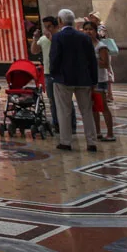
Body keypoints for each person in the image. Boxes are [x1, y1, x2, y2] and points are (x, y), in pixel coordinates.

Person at [49, 9, 99, 151]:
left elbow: (54, 57)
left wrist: (53, 73)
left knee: (64, 111)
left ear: (60, 21)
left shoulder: (58, 37)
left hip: (63, 79)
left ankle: (65, 141)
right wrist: (93, 79)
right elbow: (92, 60)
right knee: (86, 111)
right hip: (84, 78)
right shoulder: (84, 37)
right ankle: (91, 142)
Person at [84, 19, 116, 142]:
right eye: (86, 29)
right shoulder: (85, 46)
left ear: (95, 31)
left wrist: (91, 59)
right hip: (89, 79)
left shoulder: (101, 46)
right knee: (93, 107)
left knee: (102, 106)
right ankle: (97, 132)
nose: (88, 32)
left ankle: (110, 133)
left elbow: (105, 64)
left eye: (90, 29)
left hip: (100, 80)